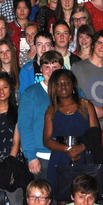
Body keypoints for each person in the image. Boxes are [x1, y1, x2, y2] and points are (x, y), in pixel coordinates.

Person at [42, 69, 99, 199]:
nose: (63, 87)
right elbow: (46, 140)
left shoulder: (86, 105)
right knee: (62, 201)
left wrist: (81, 148)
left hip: (84, 155)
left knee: (84, 198)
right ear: (53, 88)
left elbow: (95, 133)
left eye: (66, 83)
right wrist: (67, 149)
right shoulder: (51, 110)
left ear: (72, 85)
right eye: (58, 84)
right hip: (60, 157)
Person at [17, 51, 64, 181]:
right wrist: (31, 156)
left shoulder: (70, 91)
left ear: (62, 69)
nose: (50, 71)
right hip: (40, 158)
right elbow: (24, 127)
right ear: (41, 69)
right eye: (47, 67)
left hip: (64, 155)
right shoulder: (30, 93)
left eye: (55, 67)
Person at [72, 29, 103, 127]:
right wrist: (92, 110)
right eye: (100, 42)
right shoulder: (77, 67)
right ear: (93, 44)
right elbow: (73, 95)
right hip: (85, 123)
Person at [18, 29, 53, 97]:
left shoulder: (60, 67)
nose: (43, 48)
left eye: (47, 44)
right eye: (39, 44)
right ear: (35, 46)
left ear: (51, 47)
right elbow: (23, 97)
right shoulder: (26, 69)